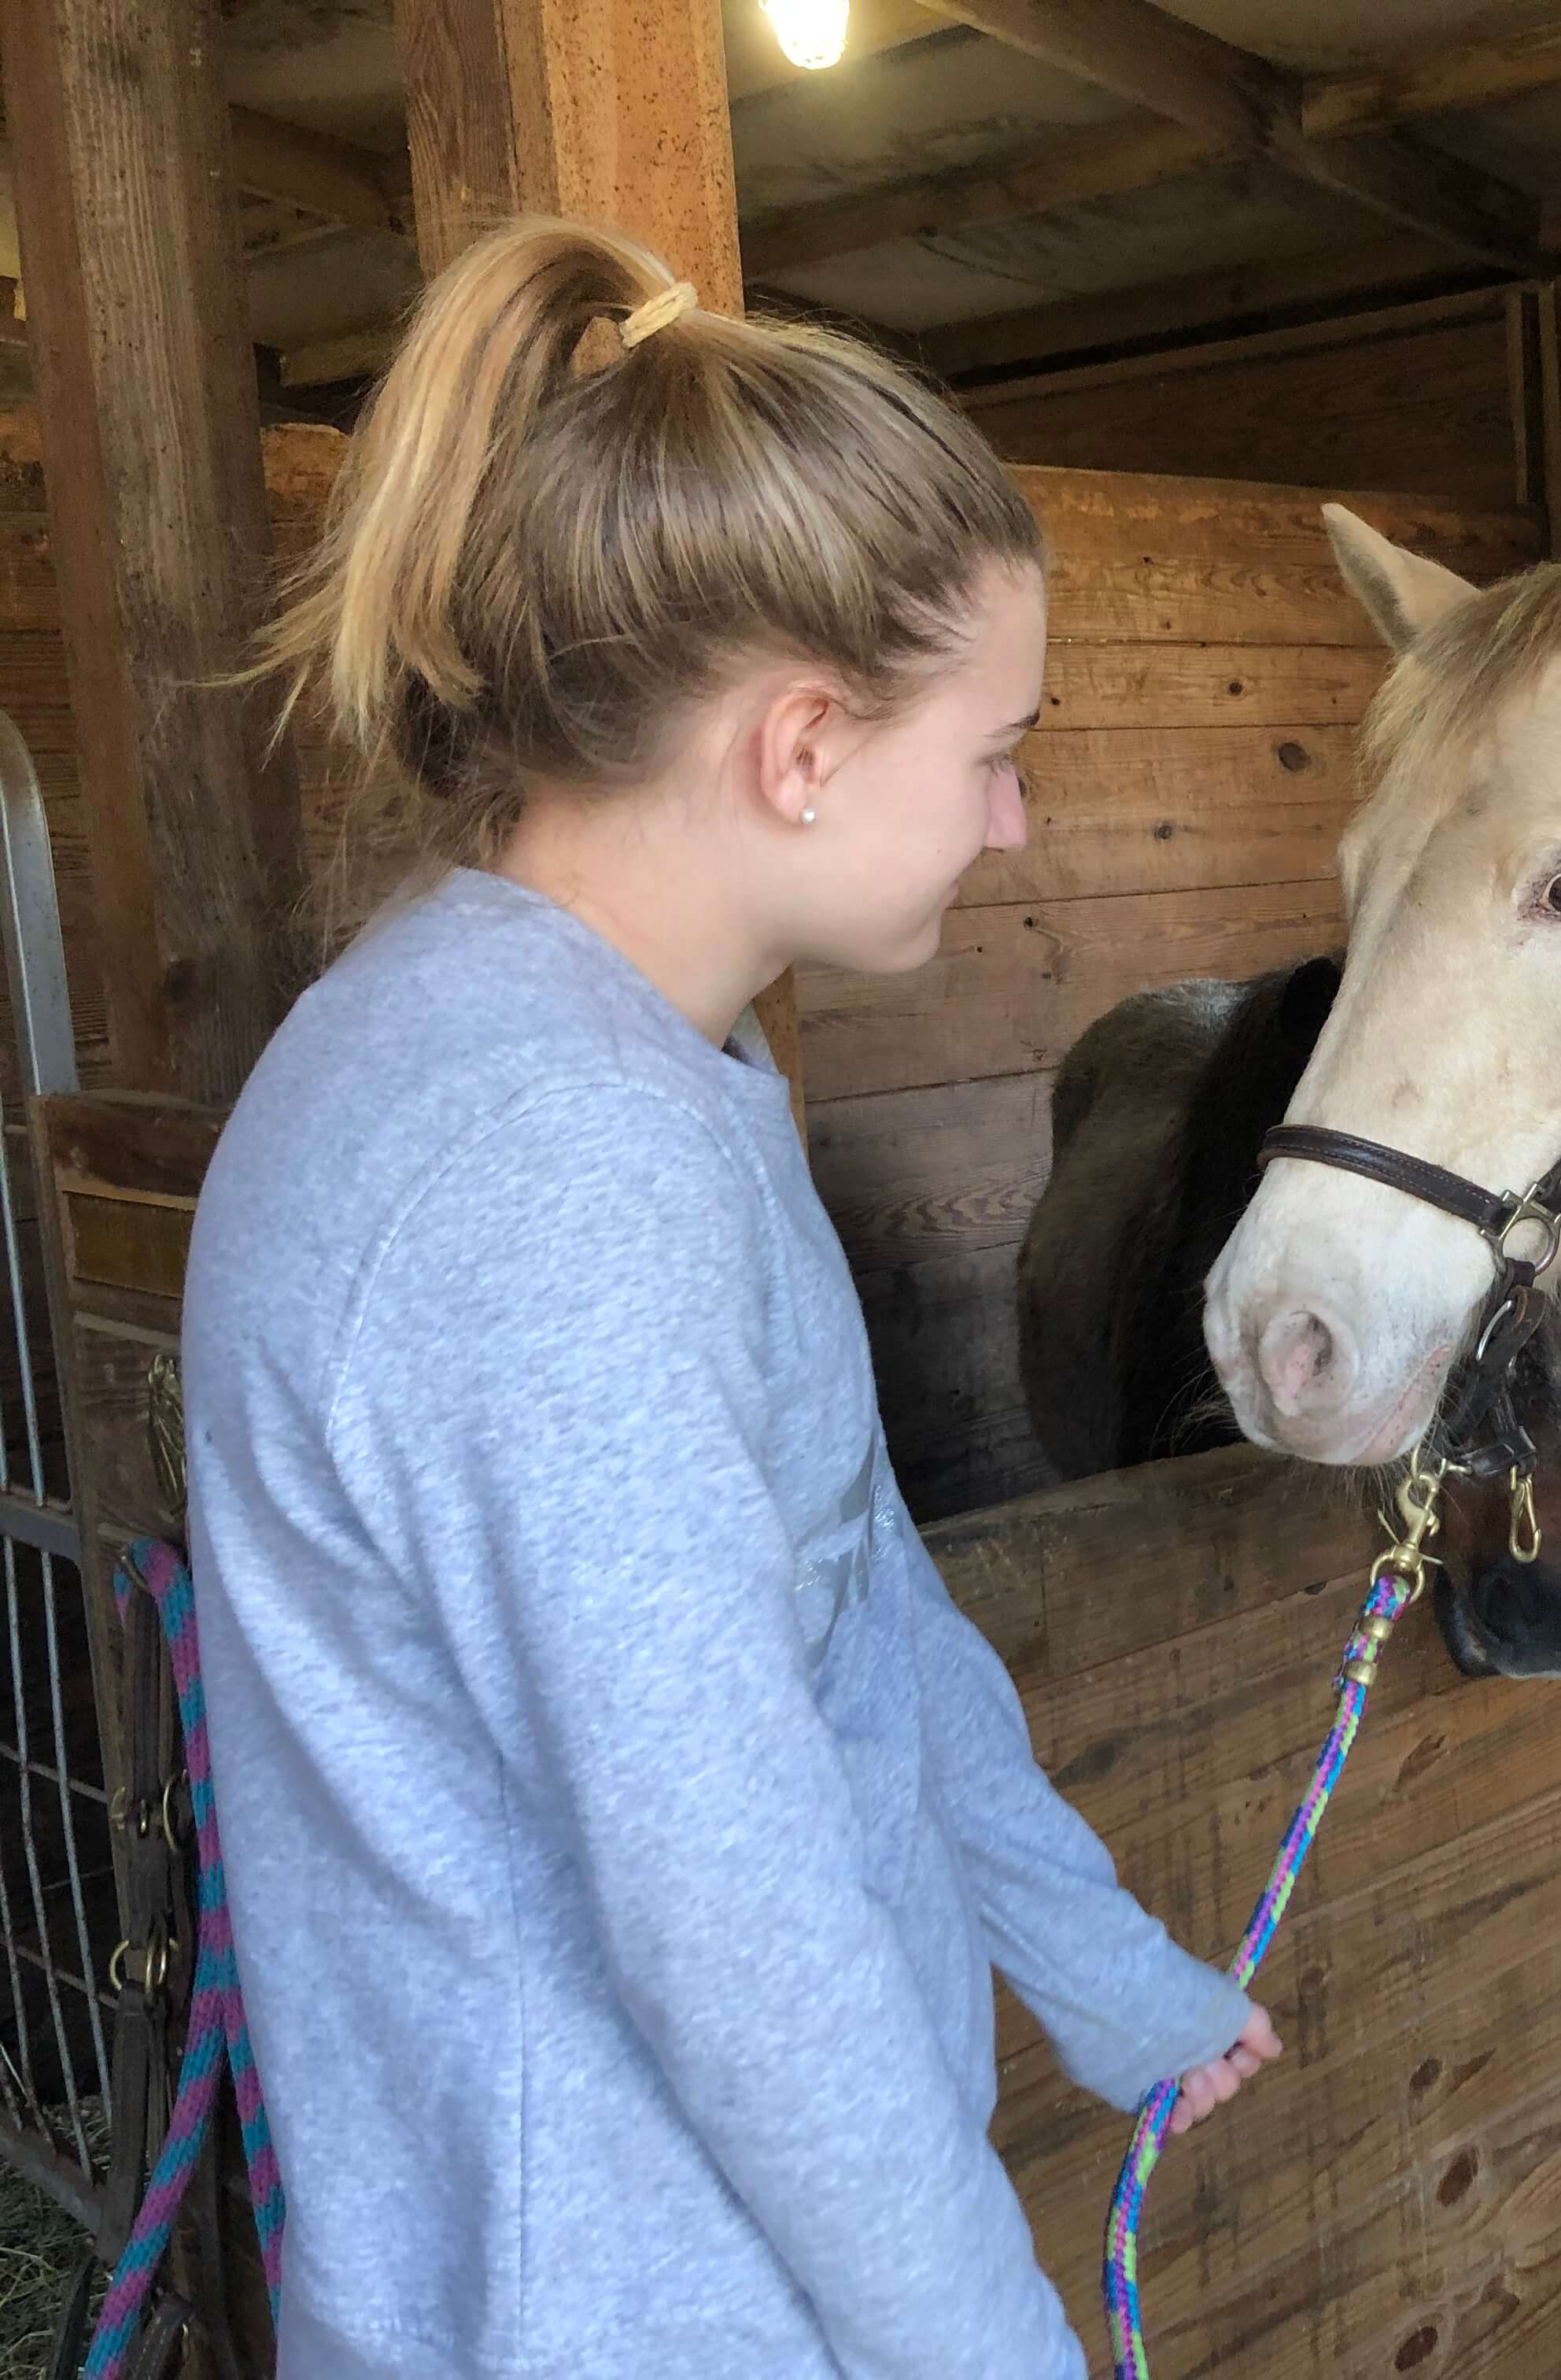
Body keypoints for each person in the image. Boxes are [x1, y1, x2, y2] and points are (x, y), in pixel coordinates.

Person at [184, 219, 1272, 2380]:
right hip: (600, 2302)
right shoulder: (542, 1175)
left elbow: (857, 1603)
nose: (1014, 811)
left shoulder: (676, 1063)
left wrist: (1110, 1977)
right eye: (989, 749)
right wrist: (994, 2354)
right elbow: (731, 1921)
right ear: (798, 749)